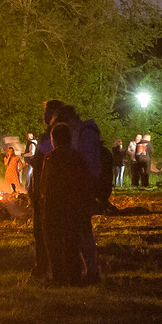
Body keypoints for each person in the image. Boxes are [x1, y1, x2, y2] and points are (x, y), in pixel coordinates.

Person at [38, 122, 95, 285]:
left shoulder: (50, 157)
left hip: (55, 206)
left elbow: (45, 183)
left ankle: (59, 276)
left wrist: (44, 199)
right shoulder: (77, 157)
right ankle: (74, 275)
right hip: (73, 205)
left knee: (54, 242)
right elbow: (85, 181)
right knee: (72, 241)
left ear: (54, 139)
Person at [27, 99, 65, 281]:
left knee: (48, 232)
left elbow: (46, 162)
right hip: (41, 189)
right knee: (40, 231)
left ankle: (48, 268)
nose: (45, 115)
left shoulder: (57, 135)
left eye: (48, 111)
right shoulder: (47, 136)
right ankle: (43, 266)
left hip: (49, 190)